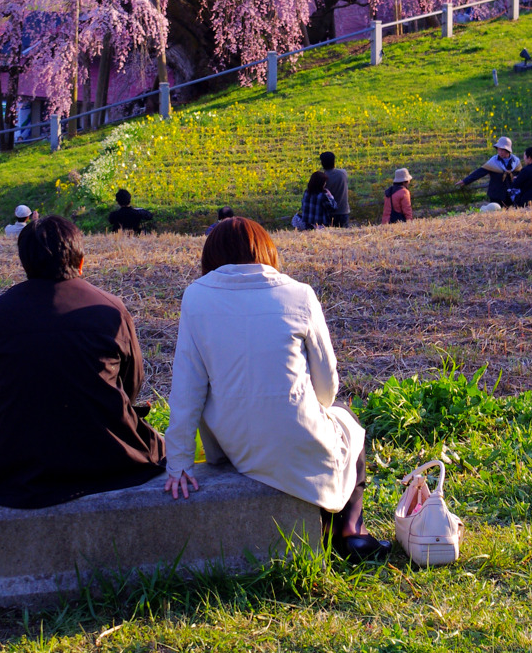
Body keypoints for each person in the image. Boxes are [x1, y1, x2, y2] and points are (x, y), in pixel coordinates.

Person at [163, 217, 391, 563]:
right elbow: (328, 387)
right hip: (299, 440)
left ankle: (336, 529)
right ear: (267, 251)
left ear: (210, 257)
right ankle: (351, 529)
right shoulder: (299, 294)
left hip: (234, 446)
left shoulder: (196, 297)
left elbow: (187, 387)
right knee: (348, 422)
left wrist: (179, 460)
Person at [0, 215, 165, 518]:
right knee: (157, 444)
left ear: (25, 262)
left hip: (12, 464)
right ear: (80, 261)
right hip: (110, 455)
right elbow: (131, 388)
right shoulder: (110, 309)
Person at [457, 136, 520, 206]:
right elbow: (480, 172)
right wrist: (465, 181)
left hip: (511, 194)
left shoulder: (516, 162)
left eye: (502, 150)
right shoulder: (494, 161)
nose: (500, 152)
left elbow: (521, 174)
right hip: (496, 194)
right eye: (499, 150)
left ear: (508, 150)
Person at [320, 151, 350, 228]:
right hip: (344, 211)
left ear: (322, 163)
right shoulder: (343, 173)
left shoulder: (323, 178)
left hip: (329, 214)